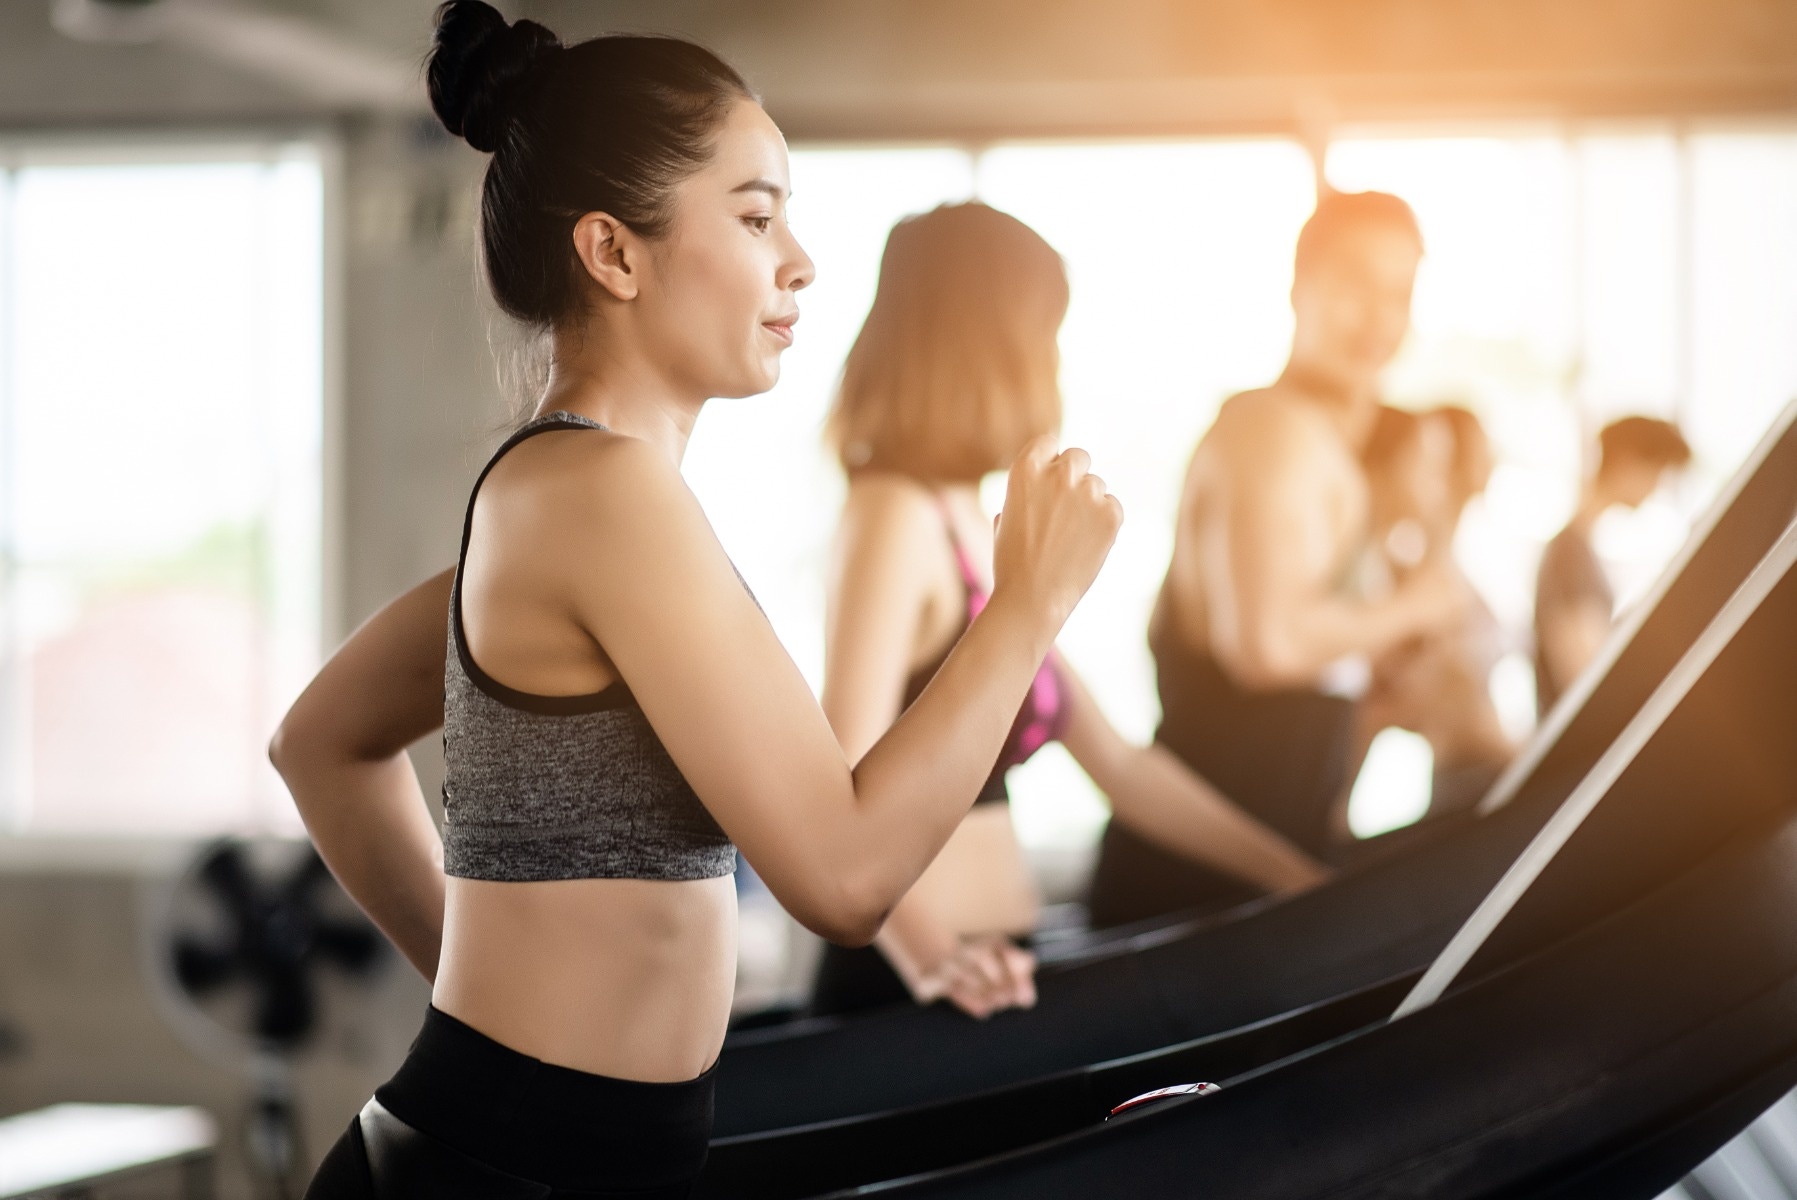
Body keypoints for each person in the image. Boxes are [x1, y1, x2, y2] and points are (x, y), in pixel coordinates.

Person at [274, 6, 1123, 1196]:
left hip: (538, 1147)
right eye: (757, 215)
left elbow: (320, 740)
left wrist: (471, 993)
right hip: (502, 1166)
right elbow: (842, 878)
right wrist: (1026, 607)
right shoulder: (598, 493)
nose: (802, 262)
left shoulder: (567, 494)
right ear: (615, 255)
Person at [811, 203, 1328, 1018]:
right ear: (990, 340)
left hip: (997, 970)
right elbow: (839, 788)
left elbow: (1122, 769)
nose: (1051, 361)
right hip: (920, 992)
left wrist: (1296, 880)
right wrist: (932, 959)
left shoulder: (968, 520)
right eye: (1044, 331)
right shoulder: (893, 513)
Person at [1086, 190, 1466, 929]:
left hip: (1267, 877)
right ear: (1299, 286)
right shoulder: (1270, 430)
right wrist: (1416, 605)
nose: (1377, 315)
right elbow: (1265, 646)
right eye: (1354, 282)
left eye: (1399, 291)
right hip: (1185, 891)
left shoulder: (1338, 456)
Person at [1354, 405, 1512, 825]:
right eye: (1429, 466)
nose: (1493, 458)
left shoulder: (1441, 563)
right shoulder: (1398, 571)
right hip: (1465, 774)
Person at [1534, 415, 1692, 716]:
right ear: (1626, 463)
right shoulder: (1568, 553)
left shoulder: (1579, 549)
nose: (1656, 487)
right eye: (1656, 471)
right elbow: (1583, 676)